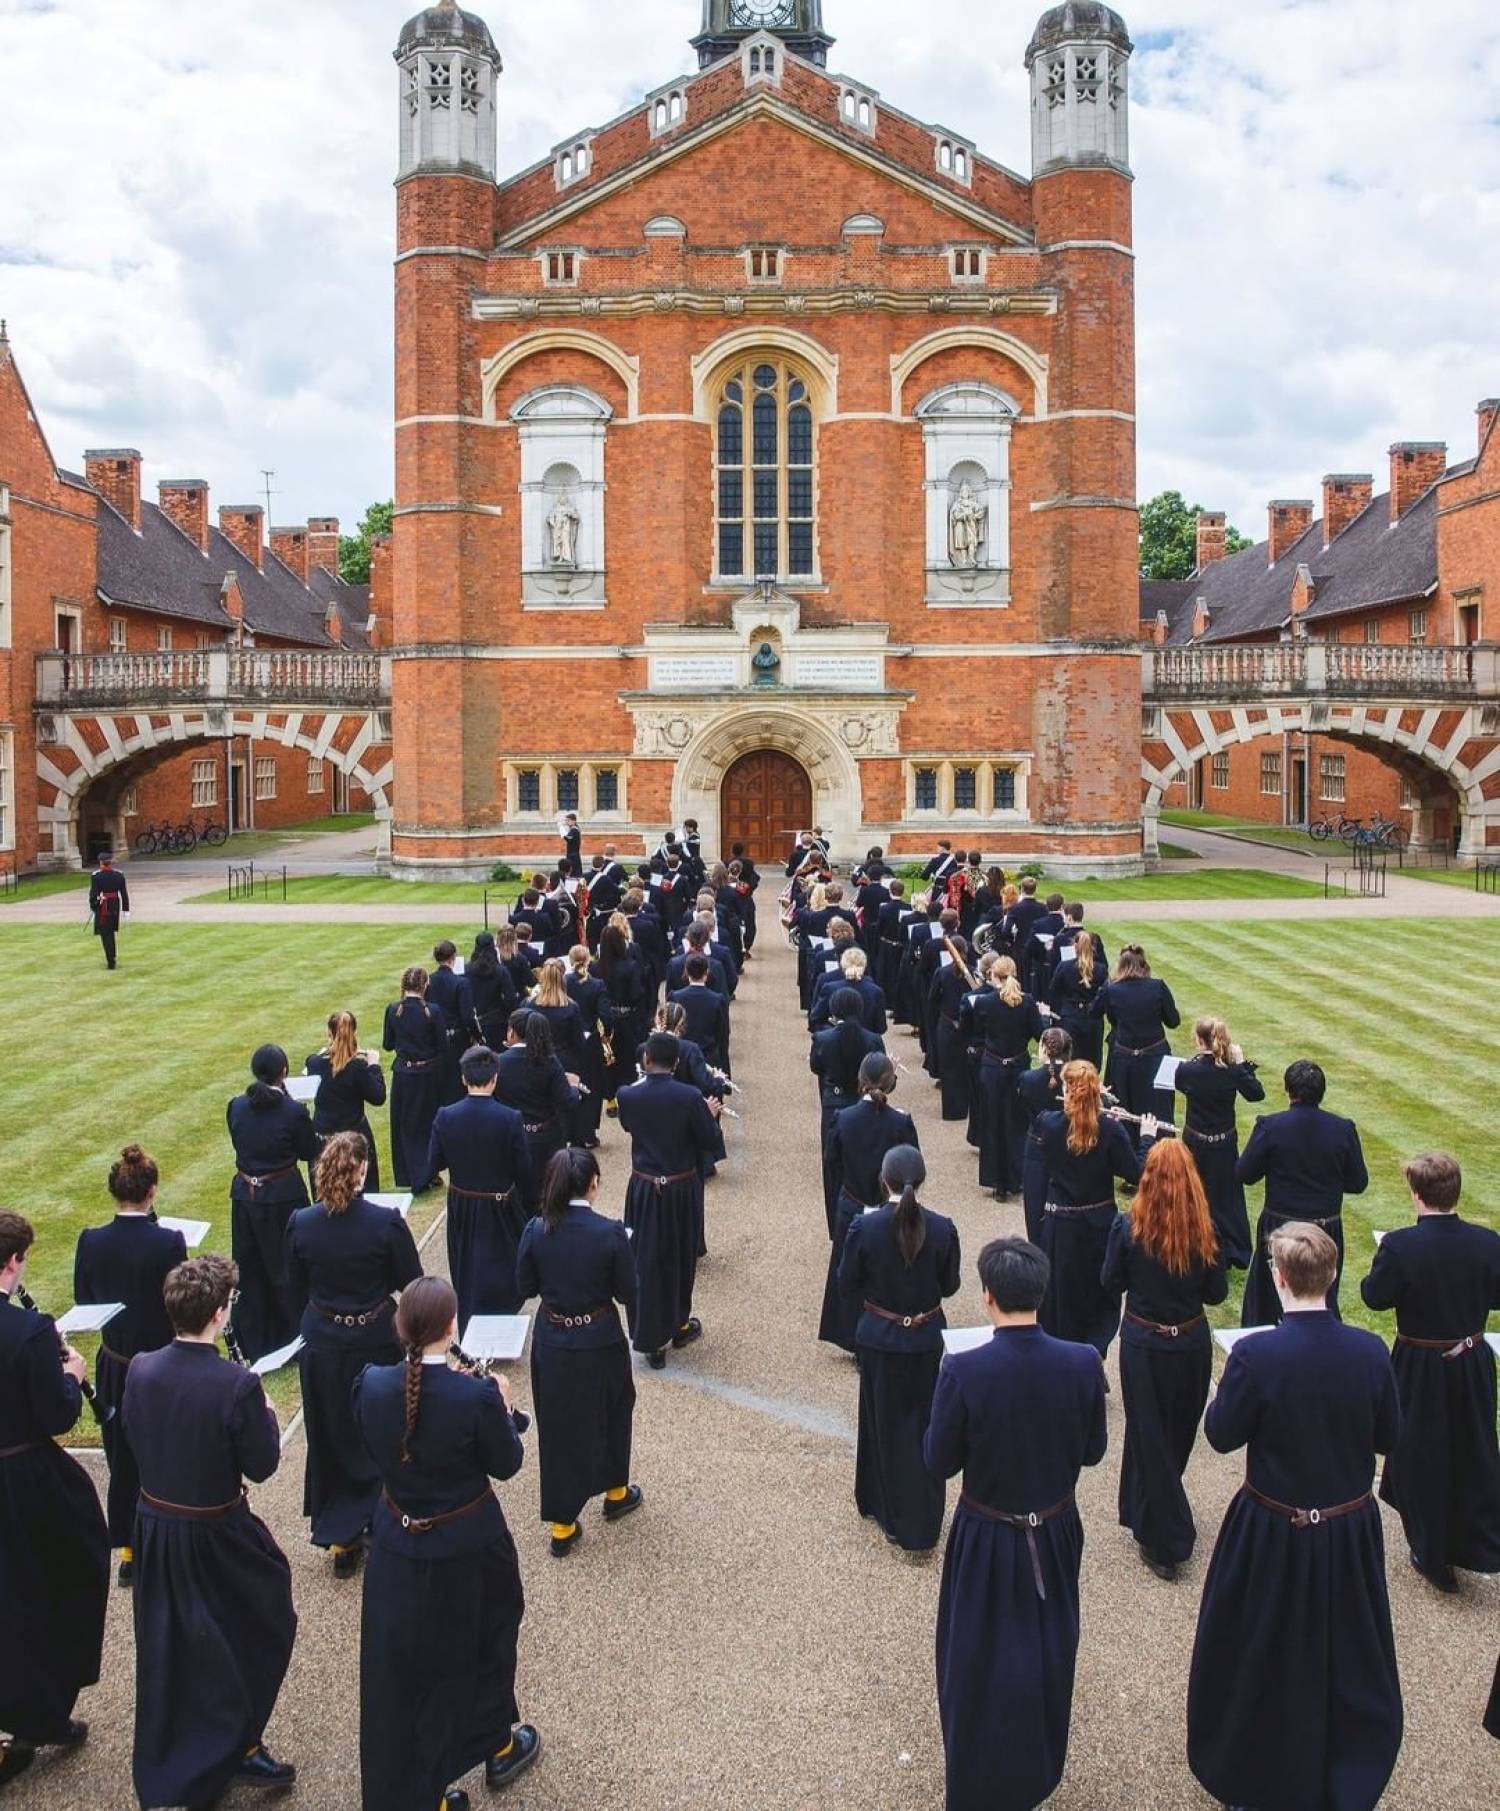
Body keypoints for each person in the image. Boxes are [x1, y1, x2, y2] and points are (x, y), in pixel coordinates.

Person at [1187, 1222, 1403, 1811]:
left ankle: (1261, 1770)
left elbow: (1221, 1434)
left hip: (1273, 1529)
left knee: (1260, 1649)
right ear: (1330, 1278)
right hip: (1346, 1527)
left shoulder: (1258, 1354)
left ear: (1278, 1278)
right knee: (1346, 1650)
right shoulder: (1369, 1352)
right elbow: (1389, 1435)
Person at [925, 1237, 1108, 1811]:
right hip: (1053, 1528)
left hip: (986, 1532)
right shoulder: (1082, 1363)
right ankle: (1033, 1766)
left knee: (976, 1656)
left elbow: (938, 1459)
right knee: (1048, 1647)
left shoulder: (964, 1368)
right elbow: (1094, 1450)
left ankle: (982, 1775)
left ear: (988, 1297)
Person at [354, 1277, 540, 1811]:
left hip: (396, 1542)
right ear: (451, 1328)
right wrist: (500, 1407)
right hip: (468, 1545)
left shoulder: (371, 1384)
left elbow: (374, 1443)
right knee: (485, 1645)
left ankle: (423, 1788)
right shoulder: (473, 1395)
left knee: (405, 1667)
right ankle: (496, 1745)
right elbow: (506, 1464)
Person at [125, 1254, 298, 1809]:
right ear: (220, 1313)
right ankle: (233, 1743)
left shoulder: (142, 1367)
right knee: (262, 1624)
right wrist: (266, 1412)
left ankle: (225, 1742)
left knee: (175, 1641)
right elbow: (263, 1465)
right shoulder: (235, 1387)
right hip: (214, 1533)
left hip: (156, 1527)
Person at [0, 1211, 109, 1790]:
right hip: (22, 1477)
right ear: (13, 1262)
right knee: (51, 1583)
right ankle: (39, 1709)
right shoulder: (27, 1331)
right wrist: (71, 1373)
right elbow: (56, 1415)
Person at [1359, 1151, 1500, 1594]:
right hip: (1472, 1359)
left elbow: (1374, 1297)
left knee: (1421, 1452)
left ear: (1417, 1195)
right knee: (1471, 1445)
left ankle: (1433, 1549)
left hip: (1420, 1364)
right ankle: (1462, 1542)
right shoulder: (1487, 1241)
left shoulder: (1401, 1245)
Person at [286, 1132, 423, 1577]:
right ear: (362, 1170)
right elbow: (411, 1280)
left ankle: (342, 1534)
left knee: (331, 1432)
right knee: (381, 1429)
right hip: (371, 1338)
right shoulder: (384, 1223)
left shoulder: (302, 1224)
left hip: (326, 1340)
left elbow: (294, 1284)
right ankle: (380, 1519)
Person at [1100, 1139, 1227, 1580]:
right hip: (1180, 1342)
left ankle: (1153, 1514)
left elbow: (1109, 1280)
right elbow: (1216, 1291)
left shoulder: (1131, 1226)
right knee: (1158, 1434)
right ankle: (1165, 1532)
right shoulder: (1199, 1229)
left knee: (1163, 1435)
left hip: (1151, 1343)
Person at [516, 1149, 641, 1558]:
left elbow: (525, 1286)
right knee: (613, 1411)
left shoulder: (536, 1229)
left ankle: (563, 1522)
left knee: (559, 1427)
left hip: (554, 1338)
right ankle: (616, 1490)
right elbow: (627, 1292)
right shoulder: (609, 1233)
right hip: (599, 1337)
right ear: (592, 1184)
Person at [72, 1144, 187, 1583]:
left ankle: (129, 1547)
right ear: (151, 1192)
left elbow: (85, 1298)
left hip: (116, 1362)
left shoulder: (93, 1241)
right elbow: (179, 1304)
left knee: (121, 1454)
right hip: (158, 1362)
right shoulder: (169, 1242)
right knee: (162, 1449)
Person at [839, 1147, 960, 1551]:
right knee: (925, 1423)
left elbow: (847, 1277)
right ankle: (921, 1515)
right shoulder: (943, 1228)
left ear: (883, 1180)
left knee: (882, 1423)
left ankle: (884, 1505)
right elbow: (950, 1286)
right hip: (925, 1338)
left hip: (880, 1337)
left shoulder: (866, 1227)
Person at [1238, 1058, 1369, 1327]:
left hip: (1281, 1226)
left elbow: (1245, 1173)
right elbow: (1357, 1181)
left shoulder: (1272, 1127)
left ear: (1289, 1091)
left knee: (1269, 1298)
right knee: (1321, 1291)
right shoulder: (1342, 1130)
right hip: (1324, 1227)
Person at [617, 1033, 721, 1367]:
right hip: (680, 1187)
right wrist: (710, 1114)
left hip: (645, 1187)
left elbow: (629, 1126)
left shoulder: (628, 1095)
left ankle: (651, 1336)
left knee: (645, 1258)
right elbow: (708, 1140)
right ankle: (677, 1322)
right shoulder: (690, 1096)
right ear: (676, 1063)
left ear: (647, 1060)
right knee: (679, 1256)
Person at [1035, 1061, 1144, 1360]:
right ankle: (1092, 1355)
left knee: (1062, 1296)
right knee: (1098, 1296)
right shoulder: (1109, 1130)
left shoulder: (1048, 1123)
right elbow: (1135, 1173)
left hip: (1060, 1224)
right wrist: (1144, 1137)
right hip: (1097, 1225)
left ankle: (1065, 1358)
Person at [226, 1043, 319, 1364]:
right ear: (283, 1073)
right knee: (286, 1269)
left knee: (250, 1268)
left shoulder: (236, 1106)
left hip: (246, 1199)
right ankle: (292, 1336)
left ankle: (260, 1341)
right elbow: (309, 1150)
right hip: (281, 1198)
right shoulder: (292, 1112)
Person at [821, 1056, 922, 1351]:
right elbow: (913, 1164)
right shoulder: (901, 1121)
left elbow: (832, 1160)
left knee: (849, 1270)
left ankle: (850, 1334)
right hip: (887, 1206)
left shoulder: (844, 1117)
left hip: (853, 1201)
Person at [428, 1045, 533, 1326]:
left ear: (463, 1079)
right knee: (503, 1263)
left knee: (466, 1264)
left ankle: (472, 1320)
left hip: (463, 1201)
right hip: (500, 1202)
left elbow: (433, 1163)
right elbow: (523, 1168)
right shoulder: (509, 1118)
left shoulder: (445, 1116)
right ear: (495, 1078)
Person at [1172, 1017, 1264, 1269]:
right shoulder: (1231, 1072)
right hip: (1223, 1143)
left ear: (1199, 1040)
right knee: (1226, 1197)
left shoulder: (1187, 1070)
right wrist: (1240, 1063)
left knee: (1194, 1193)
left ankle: (1194, 1244)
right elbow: (1256, 1093)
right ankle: (1233, 1248)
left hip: (1195, 1140)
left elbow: (1181, 1084)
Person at [959, 955, 1044, 1200]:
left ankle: (999, 1182)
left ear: (993, 976)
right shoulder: (1026, 1003)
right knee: (1016, 1124)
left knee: (994, 1123)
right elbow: (1039, 1035)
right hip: (1018, 1068)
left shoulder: (984, 1002)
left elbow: (969, 1031)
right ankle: (1016, 1177)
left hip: (993, 1069)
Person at [810, 988, 887, 1231]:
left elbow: (816, 1067)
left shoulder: (823, 1038)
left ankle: (838, 1223)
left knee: (834, 1166)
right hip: (864, 1101)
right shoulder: (873, 1038)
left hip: (834, 1102)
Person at [496, 1011, 577, 1210]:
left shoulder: (499, 1062)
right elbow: (568, 1102)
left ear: (513, 1033)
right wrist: (574, 1087)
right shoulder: (549, 1061)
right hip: (546, 1137)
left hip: (512, 1136)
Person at [1099, 944, 1180, 1131]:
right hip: (1153, 1057)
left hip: (1126, 1058)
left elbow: (1110, 1018)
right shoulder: (1157, 987)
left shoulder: (1113, 989)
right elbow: (1173, 1021)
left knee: (1124, 1111)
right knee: (1159, 1111)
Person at [306, 1009, 387, 1191]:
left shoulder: (314, 1063)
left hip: (324, 1136)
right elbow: (378, 1096)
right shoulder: (357, 1067)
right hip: (353, 1137)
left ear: (329, 1033)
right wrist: (374, 1066)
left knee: (324, 1190)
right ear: (354, 1033)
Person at [383, 966, 447, 1195]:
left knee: (406, 1125)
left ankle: (413, 1174)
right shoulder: (433, 1011)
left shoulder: (393, 1010)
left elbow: (388, 1044)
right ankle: (425, 1173)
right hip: (427, 1075)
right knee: (426, 1124)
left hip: (403, 1075)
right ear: (424, 986)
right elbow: (443, 1045)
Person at [1017, 1028, 1072, 1243]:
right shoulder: (1075, 1079)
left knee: (1035, 1208)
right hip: (1068, 1145)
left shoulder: (1028, 1079)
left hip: (1037, 1147)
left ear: (1044, 1050)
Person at [596, 921, 651, 1104]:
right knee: (628, 1060)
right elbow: (637, 993)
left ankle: (610, 1099)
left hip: (604, 1020)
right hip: (627, 1018)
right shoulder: (631, 966)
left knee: (609, 1061)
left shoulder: (596, 968)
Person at [564, 944, 613, 1146]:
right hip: (589, 1040)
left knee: (572, 1084)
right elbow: (605, 1015)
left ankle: (573, 1132)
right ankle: (588, 1133)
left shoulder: (565, 982)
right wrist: (607, 1035)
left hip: (568, 1039)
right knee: (591, 1087)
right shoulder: (597, 984)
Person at [1047, 909, 1105, 1071]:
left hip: (1070, 1018)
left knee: (1070, 1062)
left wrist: (1058, 1013)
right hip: (1092, 1020)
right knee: (1092, 1062)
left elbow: (1053, 991)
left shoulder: (1065, 967)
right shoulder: (1100, 969)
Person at [425, 941, 471, 1104]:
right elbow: (467, 1016)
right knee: (455, 1084)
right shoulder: (460, 983)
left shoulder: (428, 981)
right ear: (453, 958)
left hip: (434, 1039)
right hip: (455, 1040)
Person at [88, 847, 129, 969]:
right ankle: (112, 958)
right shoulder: (119, 875)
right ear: (111, 862)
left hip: (103, 906)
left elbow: (93, 895)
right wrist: (126, 910)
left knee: (106, 934)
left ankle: (111, 960)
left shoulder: (96, 876)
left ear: (100, 862)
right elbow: (124, 894)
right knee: (110, 932)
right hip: (115, 905)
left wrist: (94, 906)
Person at [560, 810, 582, 877]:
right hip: (572, 854)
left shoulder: (574, 830)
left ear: (574, 821)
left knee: (573, 873)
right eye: (566, 821)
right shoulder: (573, 829)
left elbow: (569, 838)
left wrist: (562, 832)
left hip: (573, 856)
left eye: (568, 821)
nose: (567, 823)